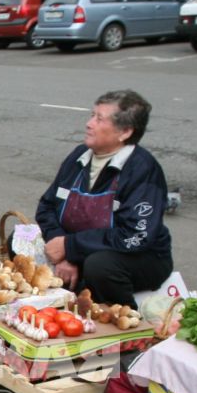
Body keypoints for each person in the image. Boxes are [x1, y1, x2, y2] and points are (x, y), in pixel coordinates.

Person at [34, 90, 173, 307]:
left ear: (125, 132)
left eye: (99, 119)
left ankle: (125, 320)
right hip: (76, 246)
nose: (89, 124)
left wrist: (70, 247)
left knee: (100, 266)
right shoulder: (79, 156)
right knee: (20, 239)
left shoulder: (142, 169)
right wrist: (59, 247)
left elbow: (134, 236)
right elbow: (47, 206)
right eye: (91, 115)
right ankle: (71, 294)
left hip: (138, 256)